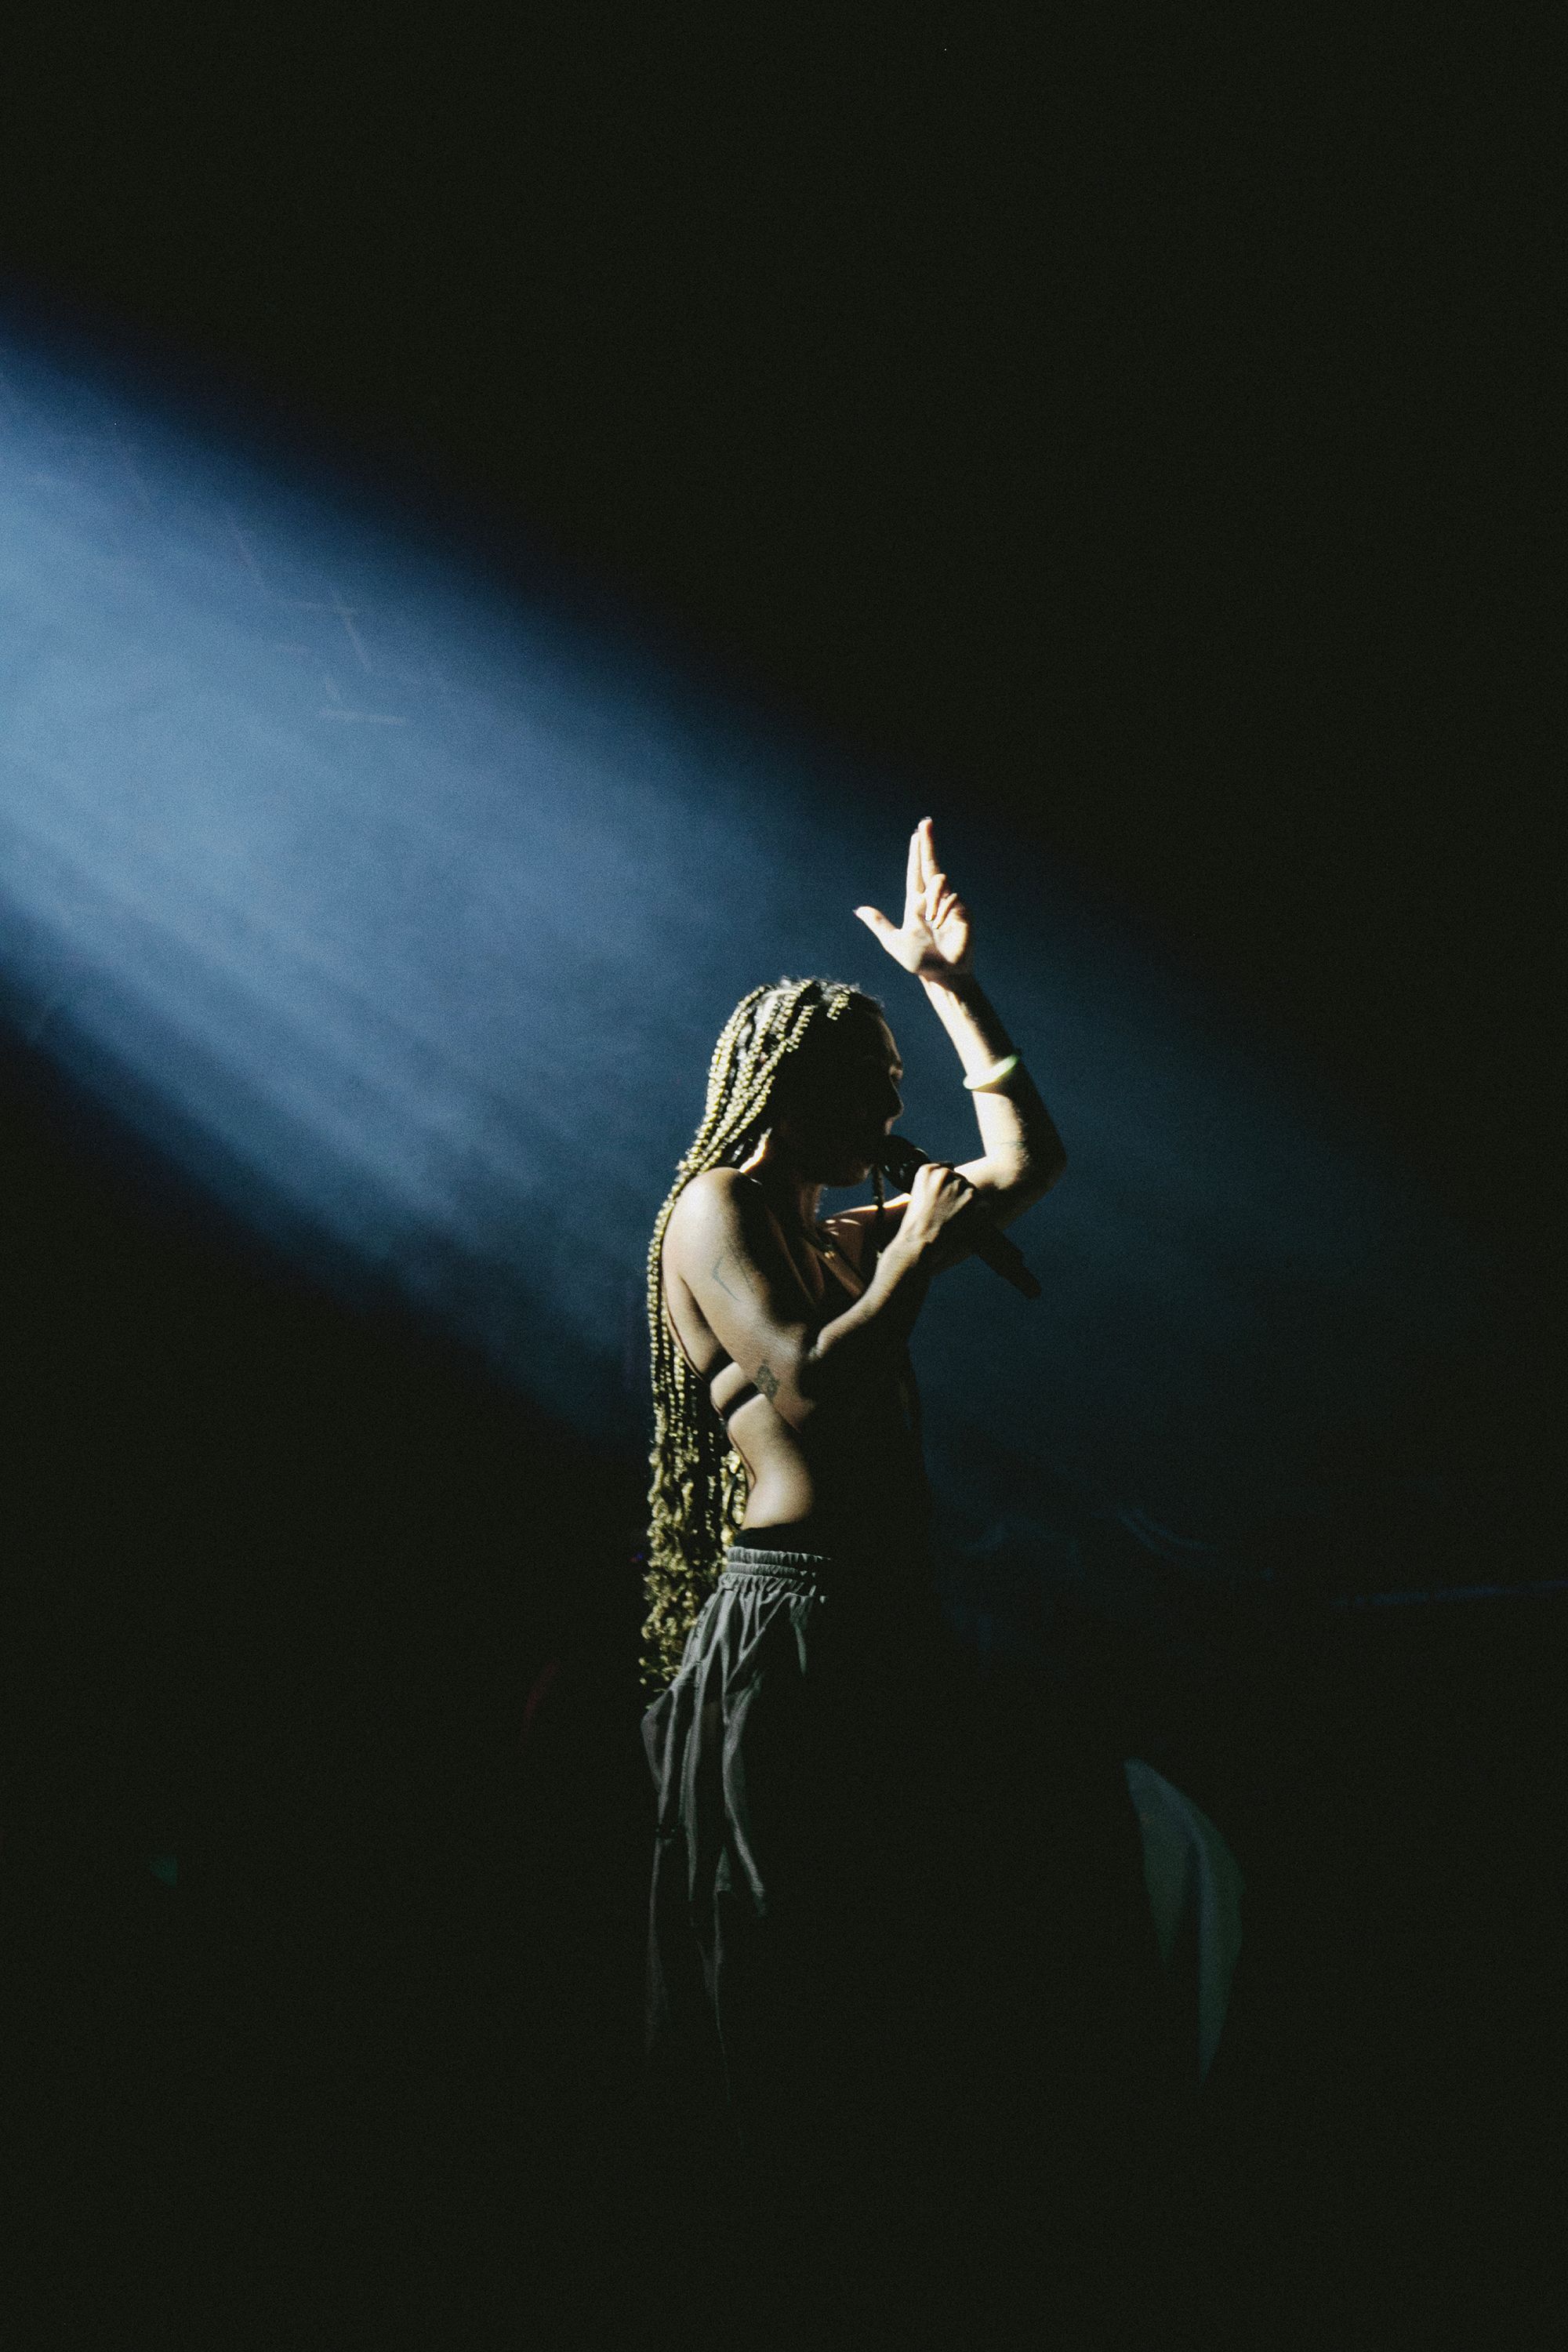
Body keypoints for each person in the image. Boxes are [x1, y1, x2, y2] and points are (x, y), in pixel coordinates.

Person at [637, 822, 1163, 2330]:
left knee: (904, 1946)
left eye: (894, 1073)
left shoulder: (842, 1219)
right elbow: (803, 1383)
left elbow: (1027, 1159)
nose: (892, 1102)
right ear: (795, 1092)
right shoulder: (721, 1212)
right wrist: (914, 1254)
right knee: (796, 1959)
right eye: (870, 1079)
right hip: (785, 1635)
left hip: (876, 1616)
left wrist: (950, 990)